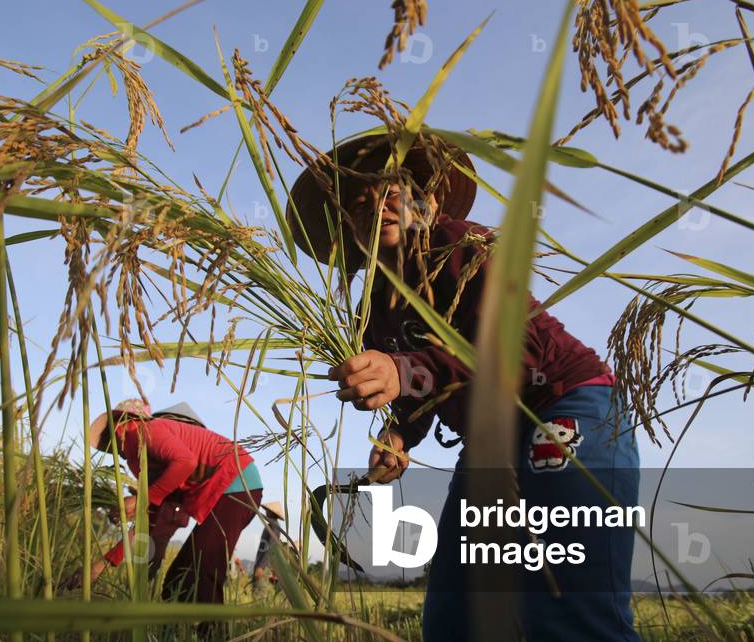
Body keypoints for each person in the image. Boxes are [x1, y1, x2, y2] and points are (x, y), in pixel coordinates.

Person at [286, 134, 641, 641]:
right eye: (358, 205)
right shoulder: (372, 304)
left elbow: (520, 353)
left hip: (562, 406)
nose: (375, 207)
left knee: (567, 609)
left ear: (425, 203)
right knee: (455, 615)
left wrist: (400, 371)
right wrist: (400, 434)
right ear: (348, 230)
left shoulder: (463, 247)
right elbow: (418, 388)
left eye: (390, 192)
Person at [72, 398, 263, 622]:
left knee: (202, 572)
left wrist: (142, 499)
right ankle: (176, 632)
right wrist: (101, 565)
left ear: (122, 423)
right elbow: (150, 519)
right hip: (229, 491)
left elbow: (186, 461)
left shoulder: (146, 432)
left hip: (237, 484)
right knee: (176, 582)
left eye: (108, 437)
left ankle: (213, 634)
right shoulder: (145, 461)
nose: (112, 448)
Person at [251, 501, 286, 593]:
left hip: (264, 565)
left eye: (268, 511)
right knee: (256, 590)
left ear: (271, 513)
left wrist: (261, 567)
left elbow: (270, 549)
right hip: (261, 563)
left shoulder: (274, 527)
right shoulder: (271, 526)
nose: (266, 512)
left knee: (260, 591)